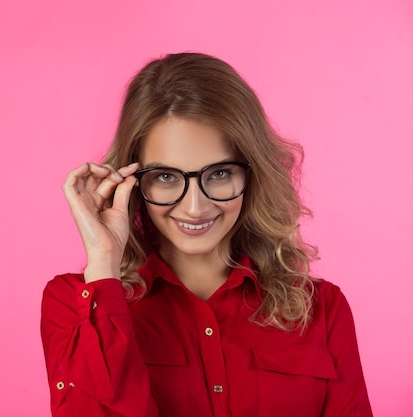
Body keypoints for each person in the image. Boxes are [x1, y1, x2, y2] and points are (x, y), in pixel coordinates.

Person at [40, 53, 372, 417]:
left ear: (252, 174)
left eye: (219, 173)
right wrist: (104, 263)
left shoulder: (322, 309)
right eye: (166, 177)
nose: (195, 207)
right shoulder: (78, 306)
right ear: (131, 180)